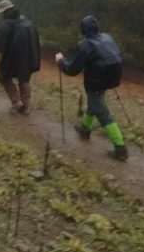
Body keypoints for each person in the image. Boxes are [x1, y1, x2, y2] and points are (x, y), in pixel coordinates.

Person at [55, 15, 128, 161]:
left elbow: (72, 70)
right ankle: (85, 129)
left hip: (96, 81)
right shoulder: (108, 37)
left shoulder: (86, 44)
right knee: (94, 103)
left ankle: (121, 148)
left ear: (83, 30)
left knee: (103, 113)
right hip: (112, 78)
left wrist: (61, 61)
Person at [0, 0, 40, 115]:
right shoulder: (28, 22)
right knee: (24, 79)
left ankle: (16, 103)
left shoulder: (4, 26)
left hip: (11, 59)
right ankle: (26, 106)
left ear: (4, 12)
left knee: (3, 77)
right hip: (27, 58)